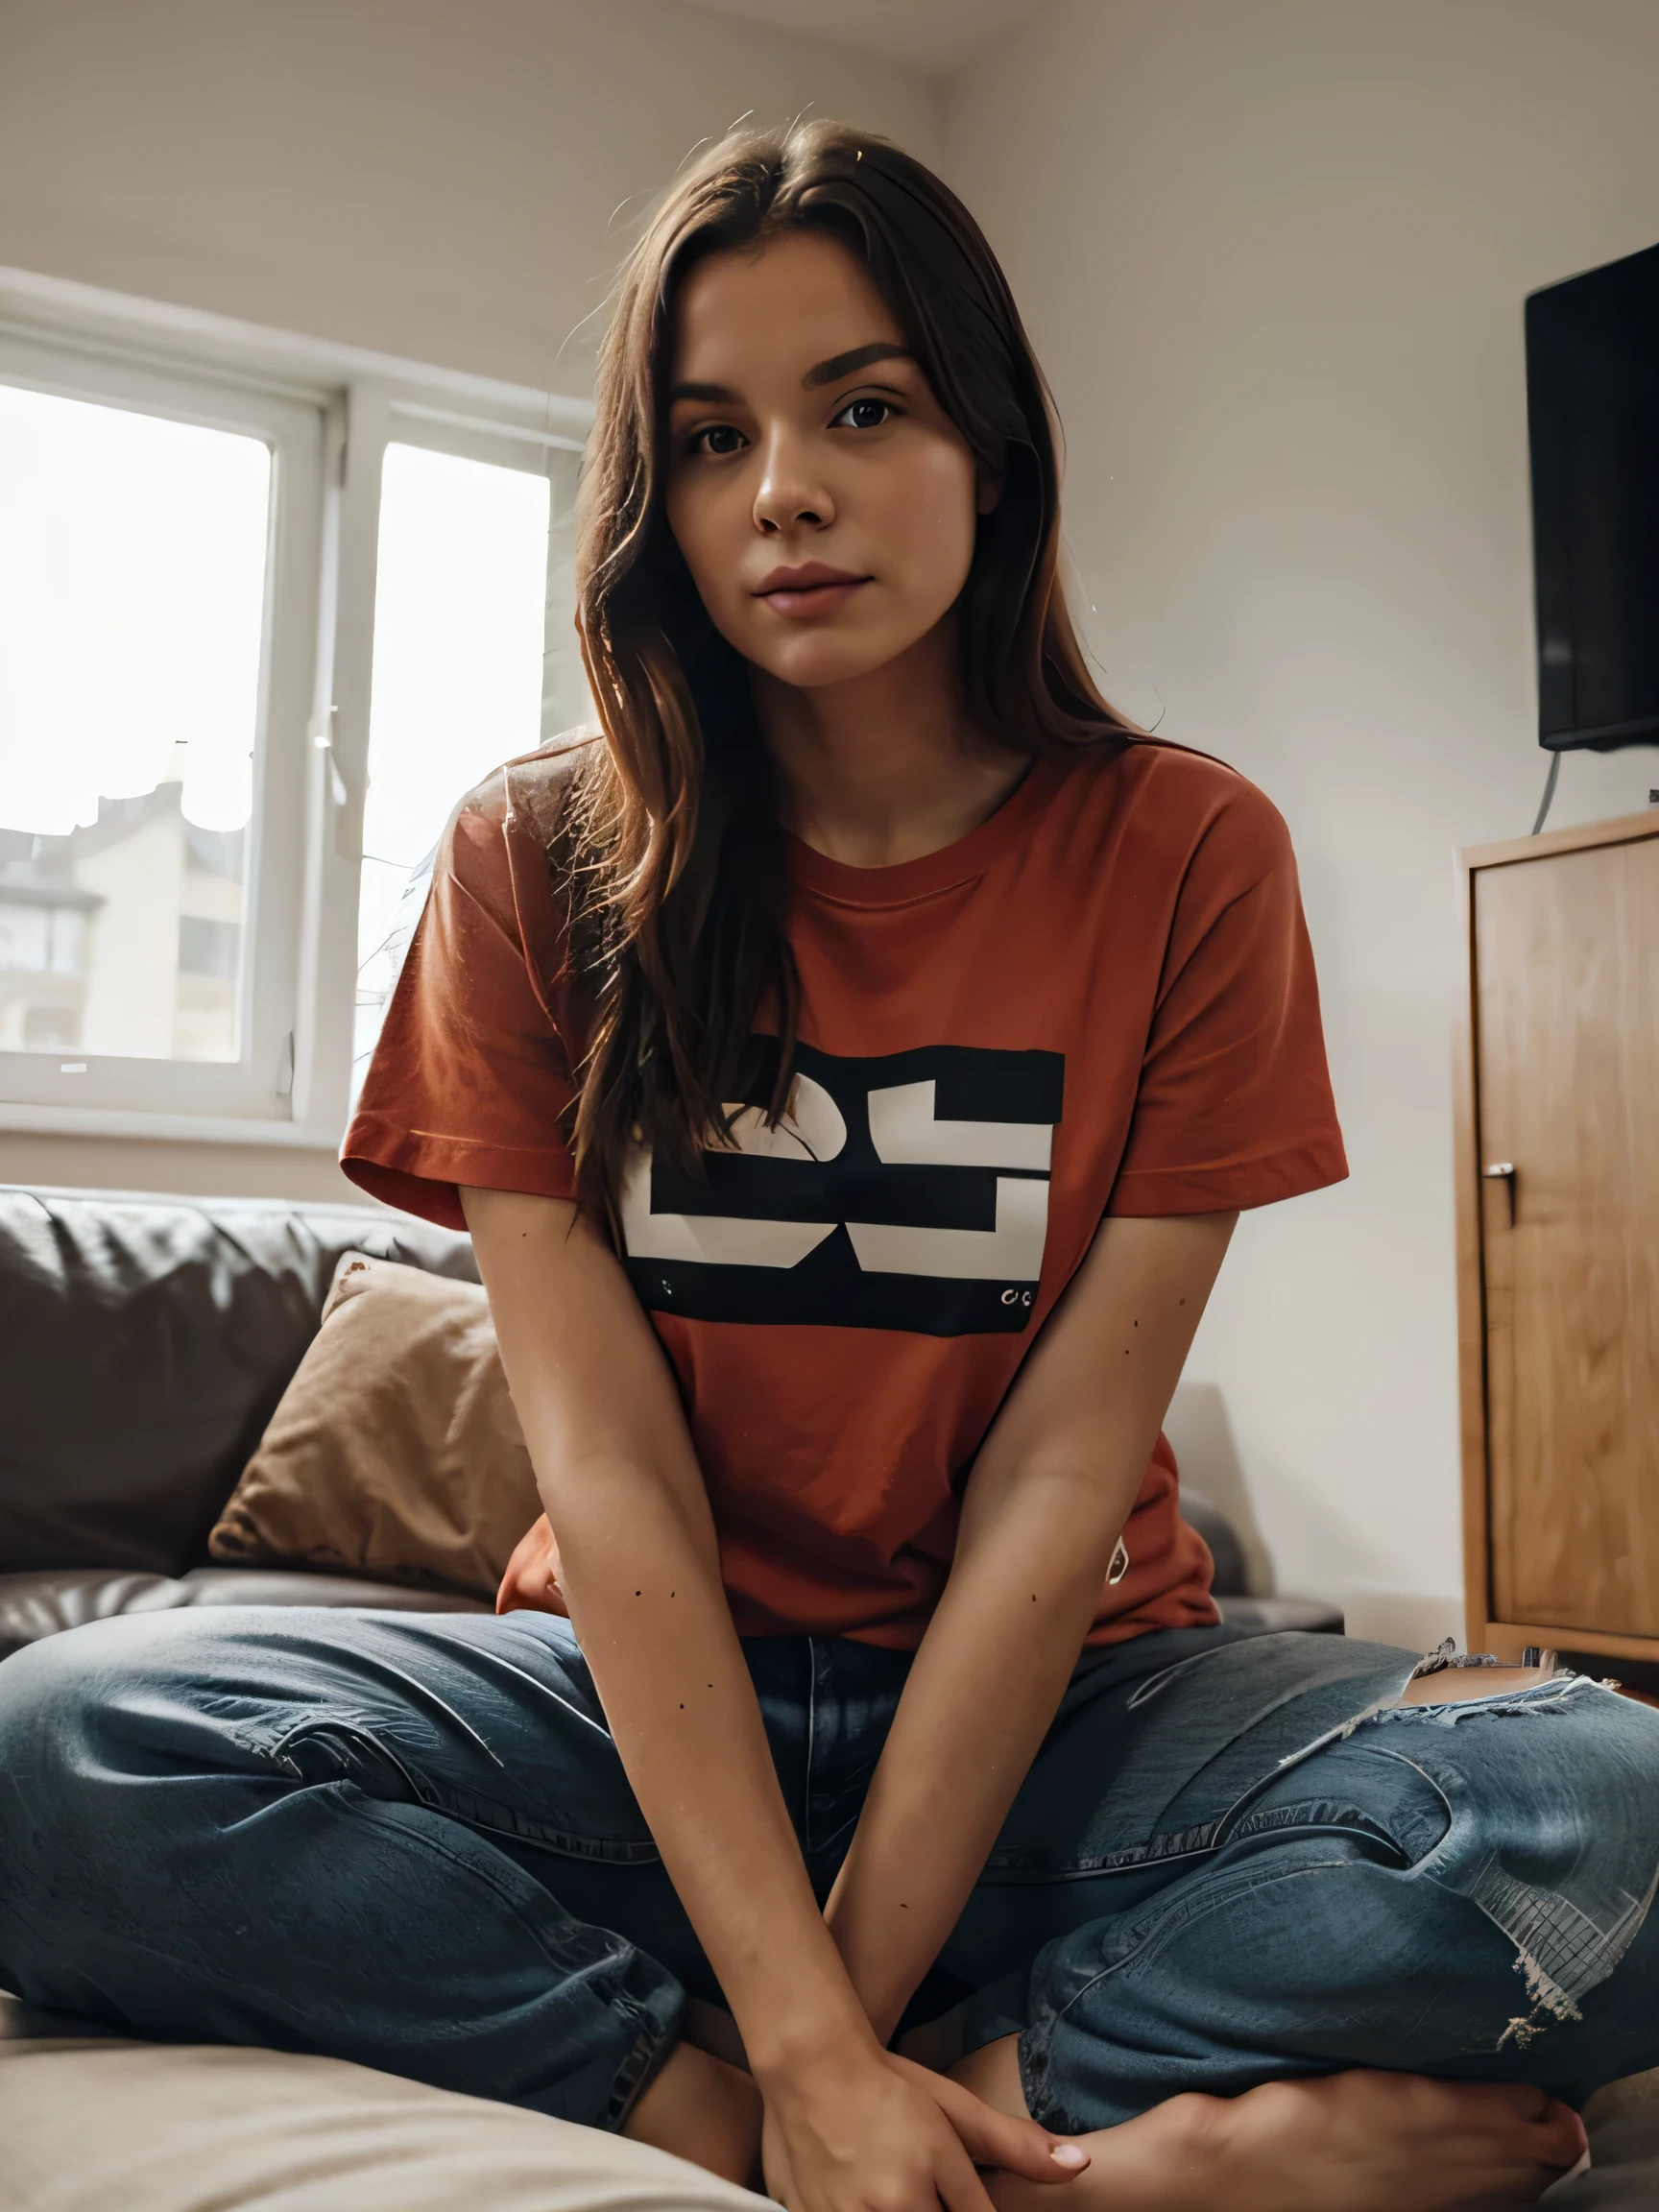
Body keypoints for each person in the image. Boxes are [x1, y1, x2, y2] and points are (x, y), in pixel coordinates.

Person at [1, 119, 1654, 2212]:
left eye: (860, 407)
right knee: (61, 1750)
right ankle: (1049, 2160)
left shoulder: (1187, 853)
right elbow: (606, 1481)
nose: (781, 488)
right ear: (655, 500)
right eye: (708, 437)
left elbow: (1060, 1490)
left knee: (1605, 1805)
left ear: (993, 451)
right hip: (625, 1713)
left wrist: (841, 2021)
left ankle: (965, 2088)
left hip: (1079, 1704)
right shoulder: (532, 862)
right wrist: (784, 2075)